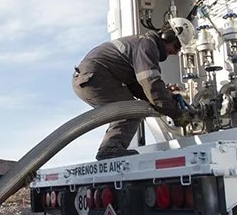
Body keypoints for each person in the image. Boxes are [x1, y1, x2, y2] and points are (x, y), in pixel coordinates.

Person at [72, 25, 195, 160]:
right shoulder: (147, 46)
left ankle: (110, 148)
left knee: (130, 109)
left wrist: (166, 97)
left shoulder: (142, 45)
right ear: (168, 36)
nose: (175, 52)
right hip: (94, 78)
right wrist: (177, 114)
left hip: (90, 78)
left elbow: (139, 87)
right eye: (176, 46)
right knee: (130, 111)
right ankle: (110, 149)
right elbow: (151, 84)